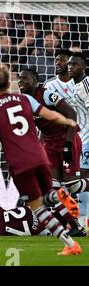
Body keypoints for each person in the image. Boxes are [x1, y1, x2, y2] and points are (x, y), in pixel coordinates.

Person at [0, 64, 82, 255]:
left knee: (36, 206)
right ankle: (60, 195)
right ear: (9, 83)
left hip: (20, 165)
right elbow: (50, 115)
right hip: (41, 156)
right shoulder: (25, 99)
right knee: (47, 195)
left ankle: (70, 243)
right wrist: (68, 121)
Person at [18, 67, 86, 236]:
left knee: (72, 185)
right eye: (19, 79)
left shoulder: (47, 94)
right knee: (51, 189)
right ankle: (75, 226)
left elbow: (71, 113)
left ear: (35, 80)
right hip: (49, 144)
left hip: (67, 138)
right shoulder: (25, 101)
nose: (21, 82)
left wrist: (68, 144)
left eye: (25, 78)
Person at [68, 52, 89, 230]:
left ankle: (84, 219)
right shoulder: (74, 86)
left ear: (83, 67)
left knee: (82, 176)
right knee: (79, 177)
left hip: (88, 138)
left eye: (74, 64)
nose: (70, 67)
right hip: (81, 139)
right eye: (69, 64)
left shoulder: (86, 84)